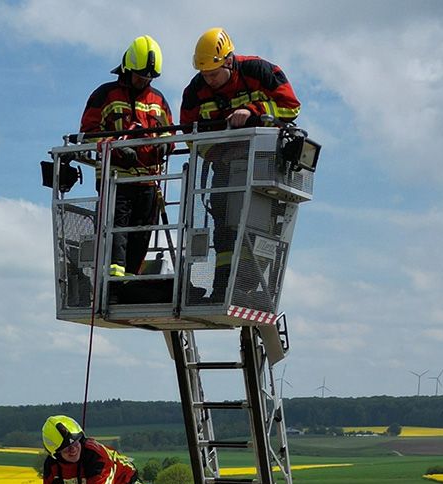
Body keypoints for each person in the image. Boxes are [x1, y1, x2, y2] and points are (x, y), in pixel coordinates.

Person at [179, 27, 301, 302]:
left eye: (213, 74)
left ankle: (245, 287)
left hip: (262, 166)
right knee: (223, 225)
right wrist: (215, 156)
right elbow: (190, 134)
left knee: (254, 226)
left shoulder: (260, 71)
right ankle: (223, 289)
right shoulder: (195, 91)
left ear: (229, 60)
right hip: (223, 167)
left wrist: (254, 112)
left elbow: (290, 107)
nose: (208, 80)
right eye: (204, 74)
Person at [80, 35, 175, 280]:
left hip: (148, 182)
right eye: (140, 76)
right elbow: (88, 134)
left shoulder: (158, 100)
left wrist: (166, 146)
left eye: (148, 78)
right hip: (116, 181)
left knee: (142, 234)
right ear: (127, 69)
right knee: (117, 233)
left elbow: (169, 132)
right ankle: (114, 282)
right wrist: (117, 147)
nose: (144, 81)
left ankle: (131, 280)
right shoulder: (105, 95)